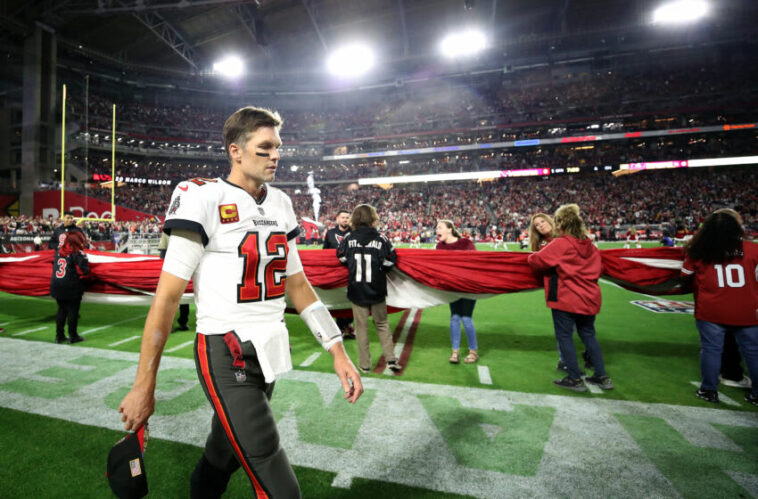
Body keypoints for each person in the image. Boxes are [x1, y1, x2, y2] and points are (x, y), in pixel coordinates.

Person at [118, 106, 363, 498]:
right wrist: (144, 385)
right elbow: (166, 299)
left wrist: (336, 349)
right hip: (224, 346)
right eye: (264, 148)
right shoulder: (201, 195)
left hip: (267, 349)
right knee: (272, 467)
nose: (276, 156)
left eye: (278, 147)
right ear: (235, 150)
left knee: (224, 450)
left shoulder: (280, 202)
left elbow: (298, 286)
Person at [527, 204, 613, 392]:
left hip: (566, 297)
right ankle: (602, 376)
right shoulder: (589, 243)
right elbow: (600, 269)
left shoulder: (561, 243)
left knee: (565, 336)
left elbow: (536, 261)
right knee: (589, 335)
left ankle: (574, 378)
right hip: (590, 296)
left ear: (560, 224)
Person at [680, 209, 758, 406]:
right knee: (752, 351)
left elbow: (685, 275)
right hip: (746, 309)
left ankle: (709, 390)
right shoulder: (751, 249)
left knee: (711, 350)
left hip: (711, 309)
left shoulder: (699, 251)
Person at [337, 204, 401, 374]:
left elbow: (341, 257)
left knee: (362, 327)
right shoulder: (382, 238)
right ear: (373, 218)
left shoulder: (348, 238)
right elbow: (391, 260)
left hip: (356, 289)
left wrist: (352, 265)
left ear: (355, 219)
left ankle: (365, 365)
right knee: (382, 324)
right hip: (377, 288)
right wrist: (380, 270)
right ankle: (391, 358)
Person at [436, 219, 479, 364]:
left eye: (440, 227)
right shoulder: (439, 246)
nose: (437, 231)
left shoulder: (466, 243)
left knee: (466, 318)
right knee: (454, 317)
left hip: (468, 286)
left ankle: (473, 352)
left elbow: (475, 262)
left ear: (450, 229)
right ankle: (455, 352)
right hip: (453, 288)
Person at [50, 231, 89, 344]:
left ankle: (59, 336)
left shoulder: (58, 251)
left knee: (61, 310)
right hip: (71, 285)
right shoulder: (77, 253)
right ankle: (73, 336)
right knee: (73, 311)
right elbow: (84, 271)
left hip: (56, 284)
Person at [323, 210, 355, 339]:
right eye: (343, 217)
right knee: (337, 300)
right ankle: (342, 326)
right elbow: (324, 253)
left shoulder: (355, 233)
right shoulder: (330, 233)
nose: (345, 219)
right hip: (334, 273)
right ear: (337, 219)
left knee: (351, 299)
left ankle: (346, 325)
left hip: (351, 271)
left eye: (347, 217)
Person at [157, 232, 190, 332]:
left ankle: (178, 323)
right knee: (178, 295)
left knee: (175, 296)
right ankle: (178, 323)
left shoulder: (170, 225)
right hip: (178, 262)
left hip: (176, 261)